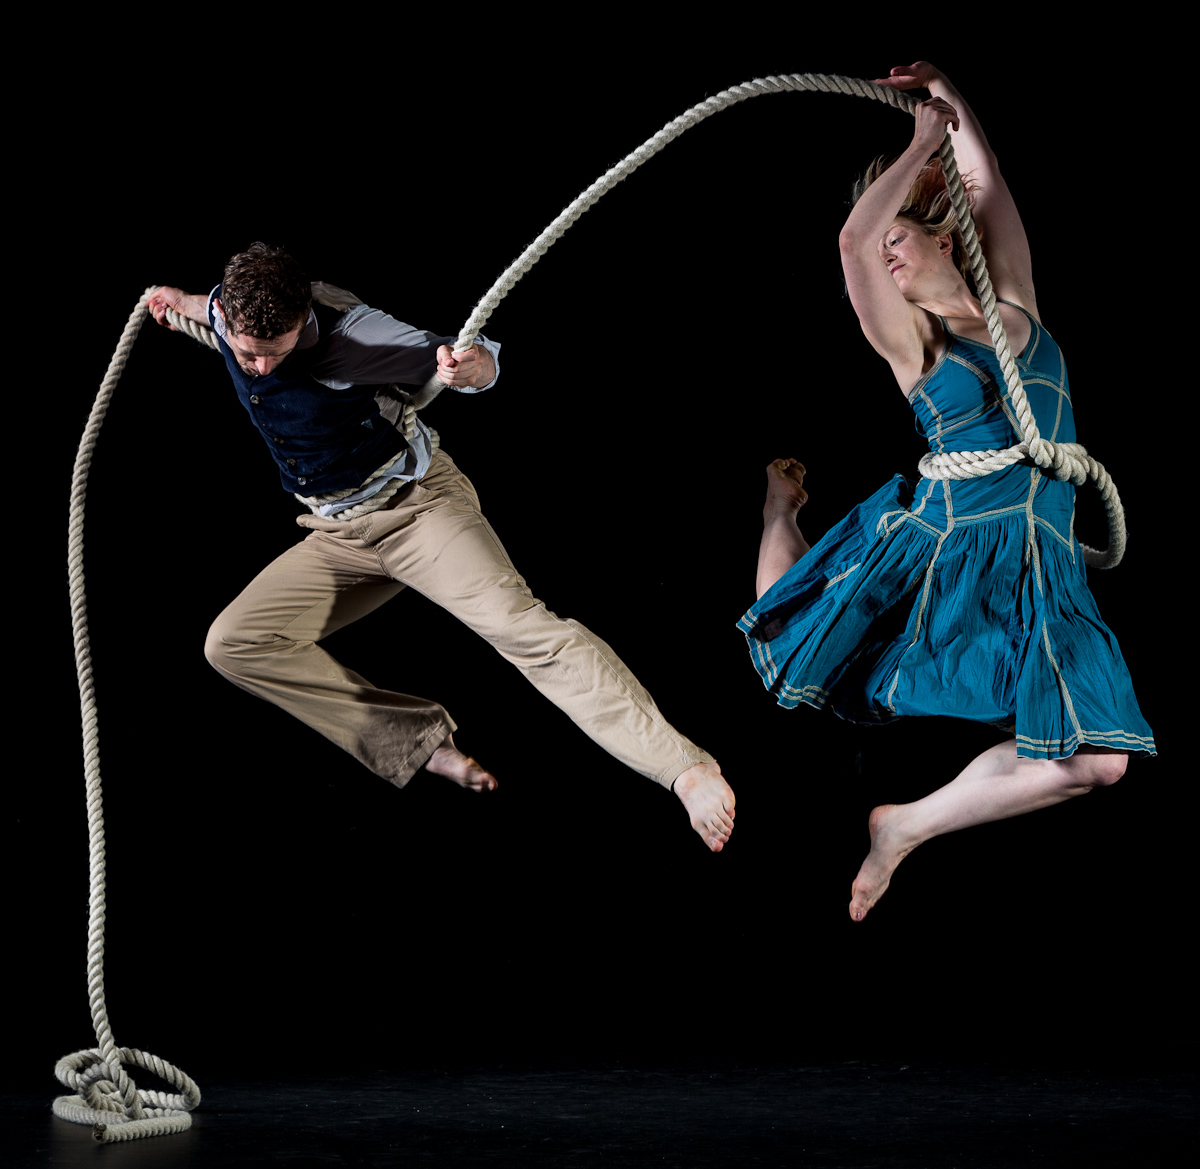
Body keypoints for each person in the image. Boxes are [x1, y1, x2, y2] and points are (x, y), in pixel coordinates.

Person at [148, 244, 735, 850]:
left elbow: (479, 364)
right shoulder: (224, 311)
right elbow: (207, 308)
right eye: (248, 354)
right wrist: (175, 302)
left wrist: (472, 367)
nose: (261, 369)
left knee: (523, 630)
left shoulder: (360, 335)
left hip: (418, 511)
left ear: (303, 321)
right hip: (337, 535)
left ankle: (683, 768)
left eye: (277, 353)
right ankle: (417, 743)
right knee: (234, 644)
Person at [739, 62, 1154, 917]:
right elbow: (853, 245)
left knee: (1097, 759)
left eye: (903, 232)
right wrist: (922, 141)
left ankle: (905, 825)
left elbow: (984, 181)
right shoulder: (912, 344)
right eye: (883, 236)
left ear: (941, 237)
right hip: (954, 544)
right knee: (796, 619)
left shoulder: (1013, 302)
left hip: (1042, 559)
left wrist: (950, 98)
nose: (887, 247)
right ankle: (781, 510)